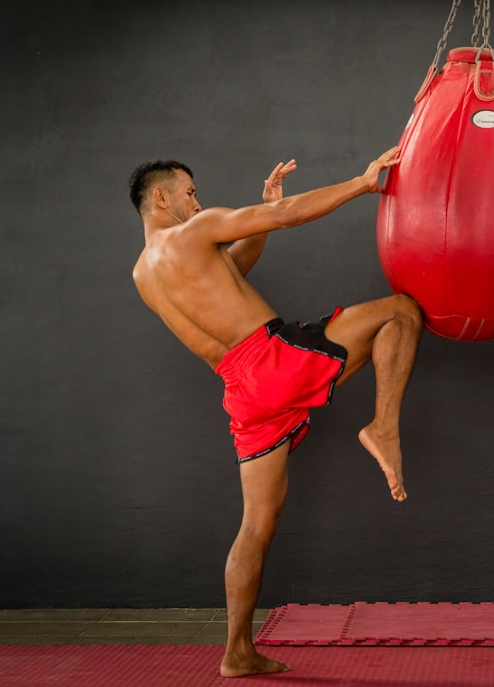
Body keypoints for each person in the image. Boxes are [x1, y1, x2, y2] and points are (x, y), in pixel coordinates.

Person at [128, 146, 422, 677]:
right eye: (190, 192)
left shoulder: (145, 275)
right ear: (161, 196)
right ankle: (382, 427)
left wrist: (264, 207)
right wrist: (362, 183)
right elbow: (287, 219)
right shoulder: (195, 231)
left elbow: (229, 275)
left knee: (256, 525)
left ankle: (237, 652)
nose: (198, 202)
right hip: (272, 359)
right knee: (401, 311)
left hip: (243, 394)